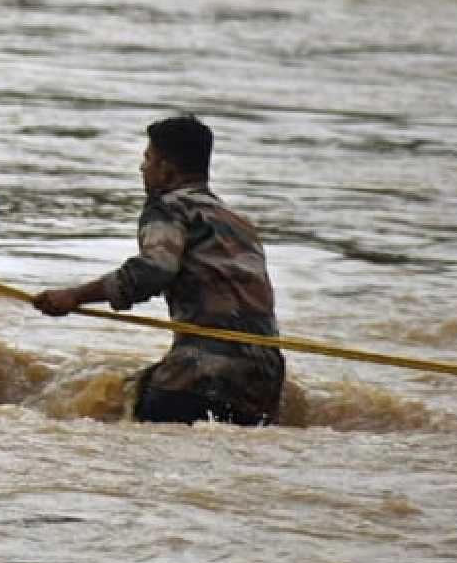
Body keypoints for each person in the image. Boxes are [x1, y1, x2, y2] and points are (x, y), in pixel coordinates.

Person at [33, 115, 285, 425]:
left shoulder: (168, 208)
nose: (142, 168)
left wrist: (73, 296)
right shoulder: (239, 222)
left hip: (200, 375)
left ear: (166, 168)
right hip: (265, 382)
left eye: (148, 158)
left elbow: (154, 270)